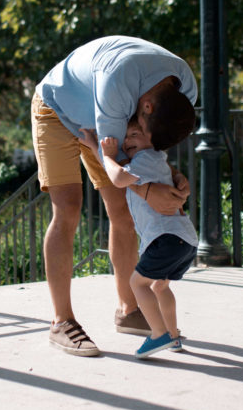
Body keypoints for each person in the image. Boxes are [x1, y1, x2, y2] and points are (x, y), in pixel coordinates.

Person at [31, 35, 197, 357]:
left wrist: (172, 176)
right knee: (68, 209)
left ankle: (128, 310)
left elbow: (152, 145)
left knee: (122, 212)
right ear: (145, 106)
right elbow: (114, 163)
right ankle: (61, 322)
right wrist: (148, 190)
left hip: (107, 126)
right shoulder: (118, 83)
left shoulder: (184, 89)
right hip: (57, 110)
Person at [80, 119, 198, 358]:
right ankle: (172, 335)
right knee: (160, 286)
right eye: (126, 137)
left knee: (137, 284)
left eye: (135, 134)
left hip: (165, 238)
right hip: (184, 240)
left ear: (152, 139)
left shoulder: (146, 159)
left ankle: (158, 334)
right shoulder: (153, 161)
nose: (127, 140)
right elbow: (126, 169)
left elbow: (119, 178)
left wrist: (99, 150)